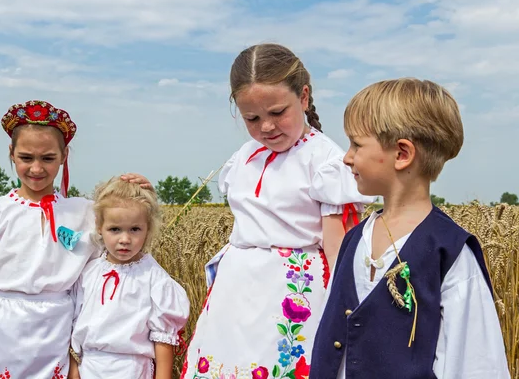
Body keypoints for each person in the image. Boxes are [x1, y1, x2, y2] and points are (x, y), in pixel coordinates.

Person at [180, 43, 374, 378]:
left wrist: (347, 311)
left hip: (292, 293)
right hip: (235, 291)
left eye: (277, 112)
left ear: (303, 97)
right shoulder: (245, 155)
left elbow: (337, 244)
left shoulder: (325, 160)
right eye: (252, 118)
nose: (266, 127)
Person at [309, 78, 511, 379]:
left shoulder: (449, 252)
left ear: (402, 154)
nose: (347, 157)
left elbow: (474, 363)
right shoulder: (354, 240)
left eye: (356, 144)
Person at [0, 100, 151, 379]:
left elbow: (126, 245)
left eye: (48, 158)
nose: (36, 168)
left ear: (64, 155)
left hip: (57, 331)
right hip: (3, 333)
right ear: (12, 153)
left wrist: (138, 194)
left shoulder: (85, 213)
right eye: (26, 157)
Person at [68, 177, 190, 379]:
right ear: (99, 227)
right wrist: (74, 369)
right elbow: (73, 325)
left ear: (148, 228)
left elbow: (164, 339)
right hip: (90, 368)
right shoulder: (88, 272)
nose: (125, 239)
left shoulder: (154, 277)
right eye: (115, 229)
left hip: (133, 369)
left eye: (135, 229)